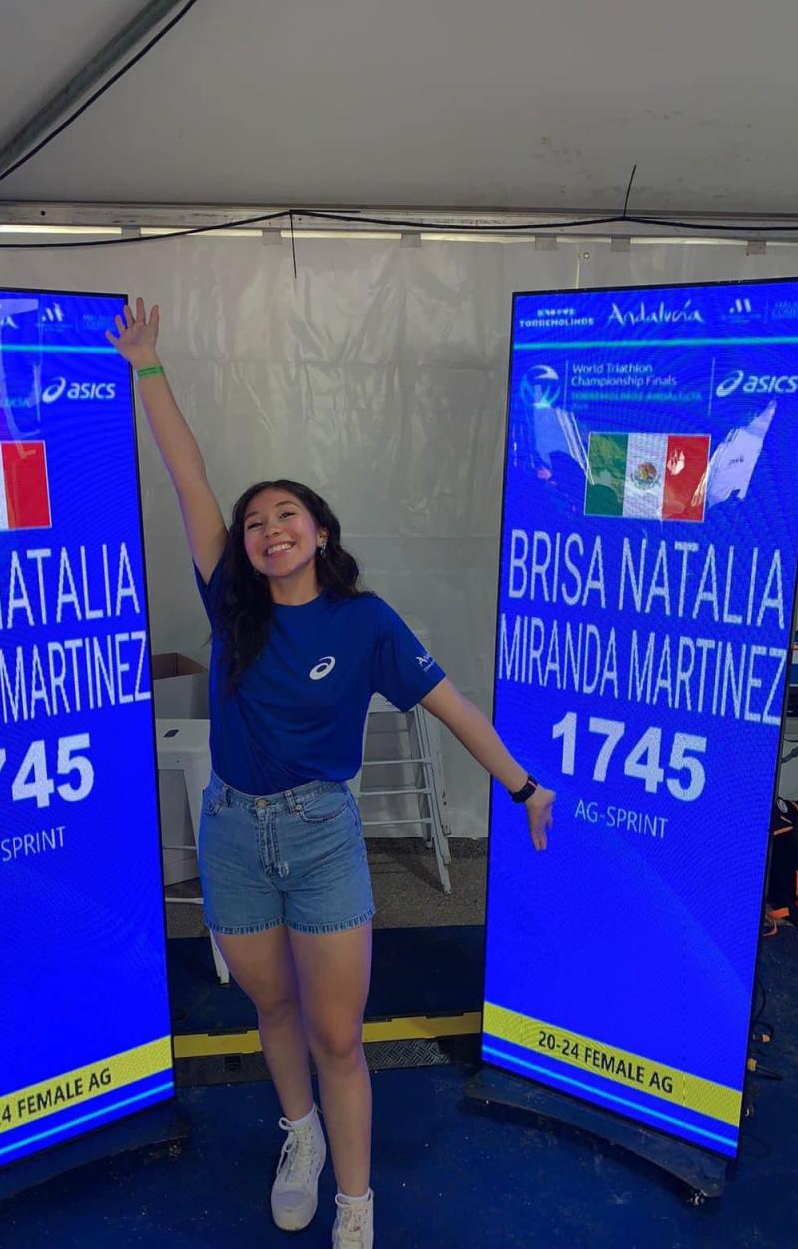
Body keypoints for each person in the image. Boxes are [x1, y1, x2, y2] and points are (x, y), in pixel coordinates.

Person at [108, 299, 555, 1249]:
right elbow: (188, 476)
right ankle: (299, 1133)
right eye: (255, 521)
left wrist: (524, 787)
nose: (268, 528)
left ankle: (356, 1201)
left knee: (339, 1036)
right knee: (271, 1006)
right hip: (232, 834)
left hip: (322, 839)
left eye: (287, 515)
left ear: (319, 533)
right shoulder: (231, 604)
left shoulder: (365, 623)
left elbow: (455, 708)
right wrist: (147, 363)